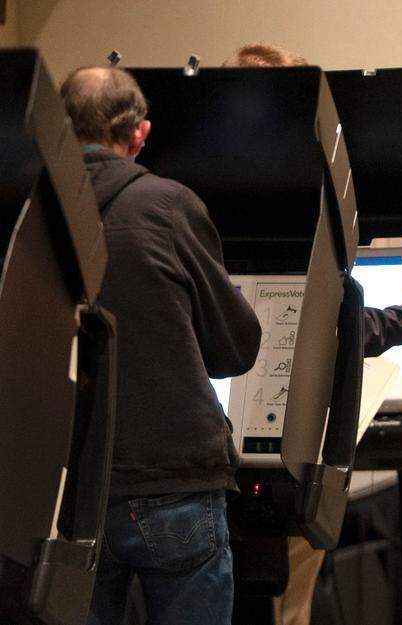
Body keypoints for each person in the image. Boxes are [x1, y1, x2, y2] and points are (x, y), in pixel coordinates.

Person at [220, 42, 402, 625]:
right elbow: (320, 321)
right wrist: (400, 323)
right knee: (286, 606)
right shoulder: (301, 202)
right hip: (282, 452)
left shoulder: (197, 196)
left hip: (205, 456)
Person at [63, 66, 261, 625]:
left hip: (72, 493)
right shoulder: (166, 206)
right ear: (139, 134)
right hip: (177, 486)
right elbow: (236, 347)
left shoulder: (30, 215)